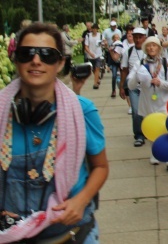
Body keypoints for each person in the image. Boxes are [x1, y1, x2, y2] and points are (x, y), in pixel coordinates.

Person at [0, 23, 108, 242]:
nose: (36, 61)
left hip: (71, 235)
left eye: (47, 55)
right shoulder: (3, 113)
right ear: (16, 60)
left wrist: (81, 200)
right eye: (26, 53)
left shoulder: (82, 110)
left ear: (60, 63)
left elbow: (101, 166)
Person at [127, 36, 168, 169]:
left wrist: (160, 83)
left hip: (164, 102)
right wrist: (137, 77)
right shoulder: (140, 63)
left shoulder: (166, 63)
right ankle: (154, 154)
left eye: (154, 45)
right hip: (148, 102)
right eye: (148, 46)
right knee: (151, 128)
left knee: (166, 129)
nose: (151, 48)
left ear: (159, 48)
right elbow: (131, 85)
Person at [119, 27, 147, 147]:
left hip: (148, 88)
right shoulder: (128, 52)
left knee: (148, 112)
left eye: (140, 37)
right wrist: (121, 87)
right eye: (135, 37)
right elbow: (124, 70)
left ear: (144, 38)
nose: (137, 39)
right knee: (136, 111)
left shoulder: (150, 50)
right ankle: (139, 135)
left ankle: (149, 131)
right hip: (134, 87)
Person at [84, 23, 102, 90]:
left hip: (98, 55)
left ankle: (95, 84)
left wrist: (104, 43)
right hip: (91, 55)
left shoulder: (100, 35)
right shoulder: (88, 36)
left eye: (96, 29)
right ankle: (97, 78)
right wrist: (90, 53)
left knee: (97, 68)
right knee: (93, 69)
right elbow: (86, 46)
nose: (94, 30)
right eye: (93, 29)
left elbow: (103, 43)